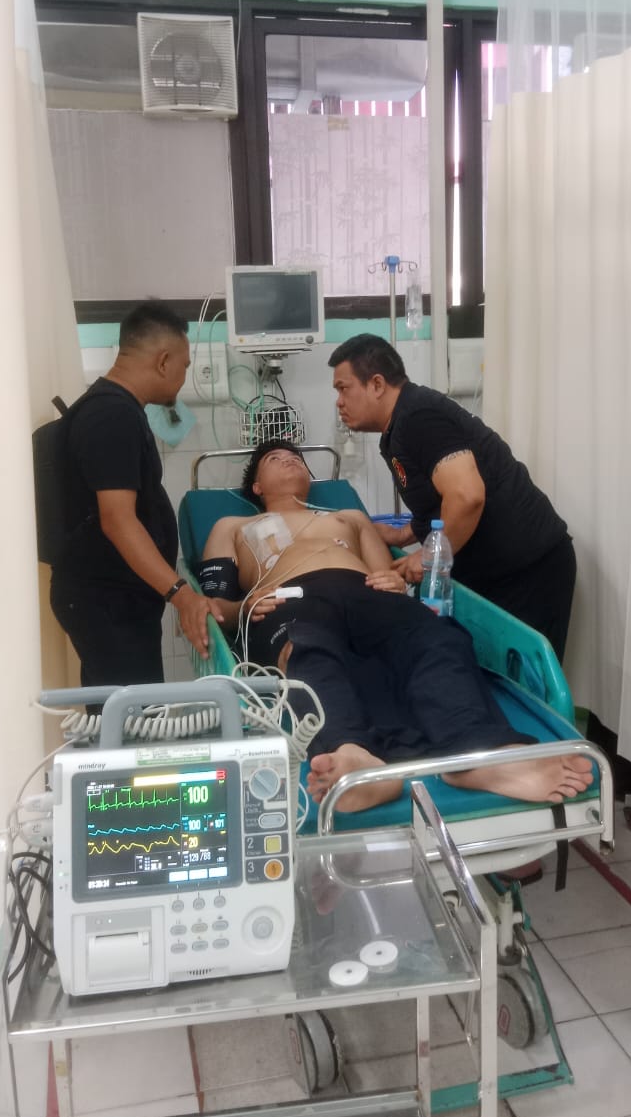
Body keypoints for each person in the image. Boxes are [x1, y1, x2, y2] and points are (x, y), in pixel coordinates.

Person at [199, 438, 594, 814]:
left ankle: (477, 753)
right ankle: (353, 755)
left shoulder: (349, 518)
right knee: (306, 650)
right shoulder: (231, 526)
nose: (289, 459)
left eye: (296, 457)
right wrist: (244, 608)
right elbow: (215, 607)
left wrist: (392, 579)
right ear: (256, 485)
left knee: (437, 637)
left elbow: (385, 573)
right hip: (288, 601)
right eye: (275, 459)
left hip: (366, 591)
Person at [327, 335, 576, 660]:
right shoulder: (397, 429)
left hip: (528, 569)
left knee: (522, 683)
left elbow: (467, 495)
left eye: (343, 389)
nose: (339, 402)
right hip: (497, 571)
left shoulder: (419, 417)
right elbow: (440, 501)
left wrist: (427, 558)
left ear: (376, 384)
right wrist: (405, 534)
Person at [50, 300, 223, 687]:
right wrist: (181, 595)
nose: (183, 378)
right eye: (184, 367)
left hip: (112, 598)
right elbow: (117, 520)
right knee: (133, 714)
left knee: (119, 712)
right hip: (106, 599)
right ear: (163, 361)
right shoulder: (112, 415)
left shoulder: (115, 409)